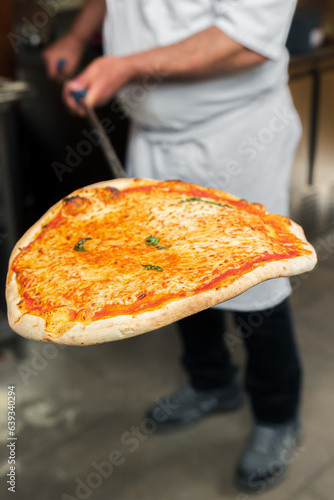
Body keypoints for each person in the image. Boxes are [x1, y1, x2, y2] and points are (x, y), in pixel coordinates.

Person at [44, 0, 302, 493]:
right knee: (171, 277)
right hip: (155, 138)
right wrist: (78, 37)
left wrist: (123, 65)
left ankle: (277, 417)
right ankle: (211, 382)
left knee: (255, 291)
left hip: (235, 138)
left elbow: (247, 41)